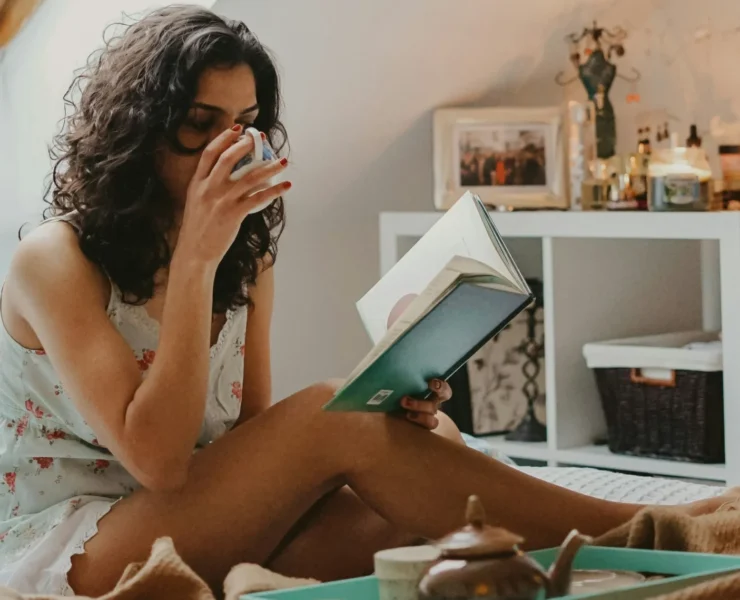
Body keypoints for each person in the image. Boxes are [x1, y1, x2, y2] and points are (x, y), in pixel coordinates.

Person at [0, 5, 731, 597]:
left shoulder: (246, 257)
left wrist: (396, 414)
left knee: (426, 489)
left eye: (245, 124)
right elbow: (158, 463)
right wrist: (194, 260)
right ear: (138, 129)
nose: (232, 148)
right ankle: (651, 528)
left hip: (195, 519)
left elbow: (248, 446)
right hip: (80, 544)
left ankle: (621, 559)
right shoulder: (56, 261)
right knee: (332, 417)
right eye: (200, 124)